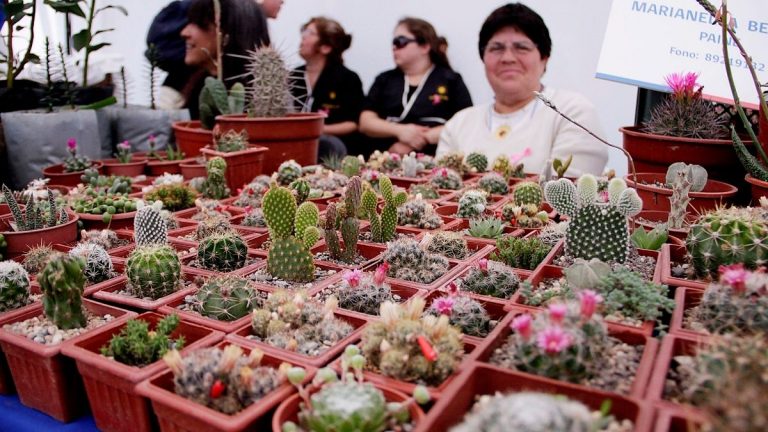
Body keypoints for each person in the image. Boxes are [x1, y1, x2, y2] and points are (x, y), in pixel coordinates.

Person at [436, 3, 608, 177]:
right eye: (496, 48)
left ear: (544, 58)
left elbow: (567, 194)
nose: (508, 58)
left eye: (522, 48)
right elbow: (440, 189)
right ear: (483, 59)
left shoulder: (572, 113)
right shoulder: (458, 125)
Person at [359, 17, 472, 156]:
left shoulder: (451, 79)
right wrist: (400, 131)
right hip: (384, 159)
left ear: (425, 47)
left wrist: (422, 138)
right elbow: (365, 122)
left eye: (400, 42)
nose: (394, 47)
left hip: (434, 160)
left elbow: (467, 122)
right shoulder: (385, 79)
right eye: (393, 42)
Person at [175, 0, 270, 119]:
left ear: (226, 32)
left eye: (199, 24)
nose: (184, 32)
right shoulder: (199, 87)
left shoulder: (261, 99)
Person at [290, 17, 364, 159]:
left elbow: (354, 123)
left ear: (326, 47)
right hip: (296, 142)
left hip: (333, 149)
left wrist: (317, 130)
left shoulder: (347, 78)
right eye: (304, 32)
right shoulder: (293, 75)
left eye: (310, 33)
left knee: (327, 145)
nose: (303, 37)